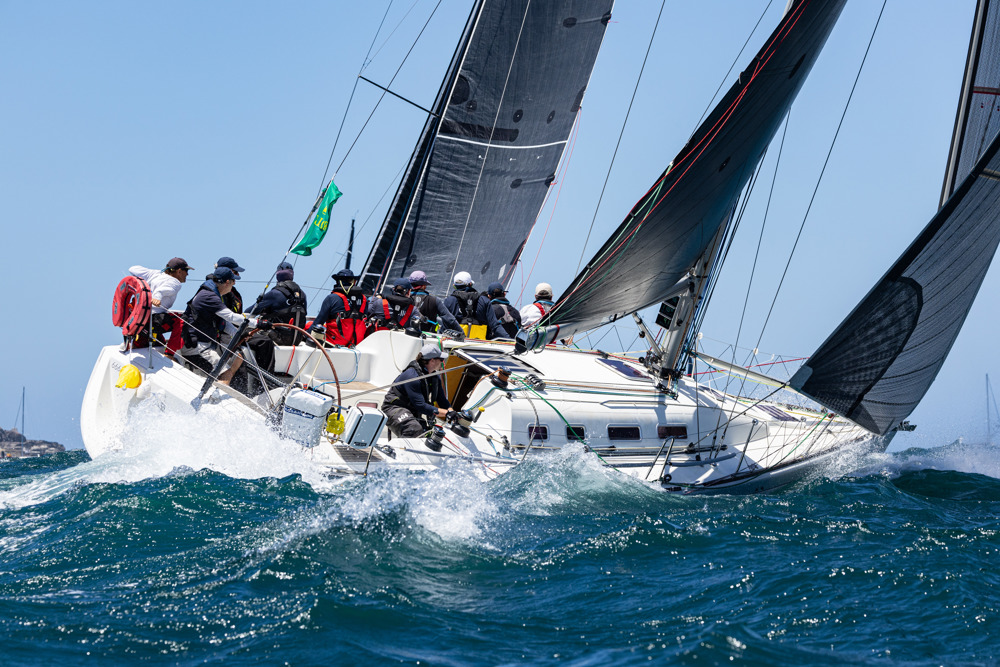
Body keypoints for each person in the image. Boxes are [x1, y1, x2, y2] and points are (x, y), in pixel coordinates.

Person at [179, 267, 269, 384]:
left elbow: (223, 322)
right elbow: (231, 317)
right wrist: (258, 323)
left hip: (207, 343)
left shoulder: (214, 294)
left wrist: (239, 334)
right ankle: (216, 397)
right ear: (227, 282)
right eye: (233, 281)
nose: (235, 283)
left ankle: (220, 388)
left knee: (238, 357)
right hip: (195, 346)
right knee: (224, 370)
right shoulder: (208, 296)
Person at [381, 344, 451, 439]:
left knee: (426, 432)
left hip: (411, 410)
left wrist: (453, 413)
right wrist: (446, 413)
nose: (442, 363)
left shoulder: (435, 377)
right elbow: (421, 406)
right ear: (432, 360)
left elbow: (442, 400)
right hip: (393, 408)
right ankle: (403, 452)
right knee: (413, 429)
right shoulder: (412, 376)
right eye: (441, 360)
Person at [128, 257, 193, 354]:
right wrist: (157, 297)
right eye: (186, 270)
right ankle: (169, 354)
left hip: (139, 319)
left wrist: (159, 273)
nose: (187, 274)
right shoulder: (175, 283)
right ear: (179, 271)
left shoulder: (154, 274)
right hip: (153, 321)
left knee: (160, 342)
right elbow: (161, 290)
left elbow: (132, 269)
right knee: (183, 321)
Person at [247, 264, 307, 345]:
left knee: (247, 333)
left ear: (277, 275)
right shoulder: (302, 295)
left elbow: (249, 313)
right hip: (298, 340)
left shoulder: (274, 294)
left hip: (278, 339)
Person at [308, 269, 368, 346]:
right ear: (354, 282)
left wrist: (306, 335)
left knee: (308, 325)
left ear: (338, 281)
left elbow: (319, 321)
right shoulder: (364, 299)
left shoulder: (332, 298)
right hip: (356, 343)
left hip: (334, 342)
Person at [408, 270, 463, 336]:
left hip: (406, 333)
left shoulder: (404, 299)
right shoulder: (435, 300)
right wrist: (462, 333)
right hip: (427, 336)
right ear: (424, 286)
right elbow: (450, 319)